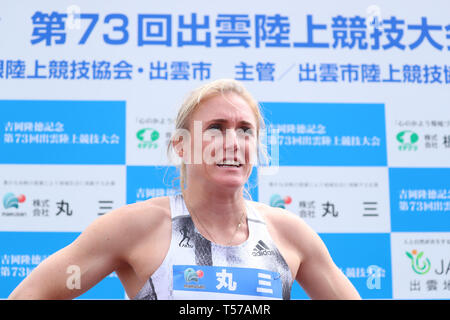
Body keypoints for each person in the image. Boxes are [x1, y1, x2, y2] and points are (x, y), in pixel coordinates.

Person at [8, 79, 360, 300]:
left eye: (245, 130)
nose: (232, 142)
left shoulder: (289, 234)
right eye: (216, 128)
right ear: (180, 145)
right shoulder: (135, 227)